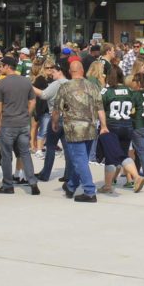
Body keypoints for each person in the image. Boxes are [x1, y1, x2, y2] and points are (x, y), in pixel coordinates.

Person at [53, 61, 104, 202]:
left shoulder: (65, 87)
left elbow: (57, 109)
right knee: (81, 160)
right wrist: (104, 125)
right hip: (90, 128)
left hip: (74, 129)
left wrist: (54, 122)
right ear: (82, 70)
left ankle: (89, 191)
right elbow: (100, 108)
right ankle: (71, 186)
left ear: (70, 71)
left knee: (79, 160)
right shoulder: (93, 86)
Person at [0, 57, 38, 195]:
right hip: (23, 123)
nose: (0, 68)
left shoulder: (2, 83)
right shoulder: (26, 81)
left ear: (7, 66)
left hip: (8, 123)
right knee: (25, 153)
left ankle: (8, 185)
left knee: (7, 155)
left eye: (1, 66)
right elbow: (33, 101)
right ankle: (33, 183)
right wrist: (26, 114)